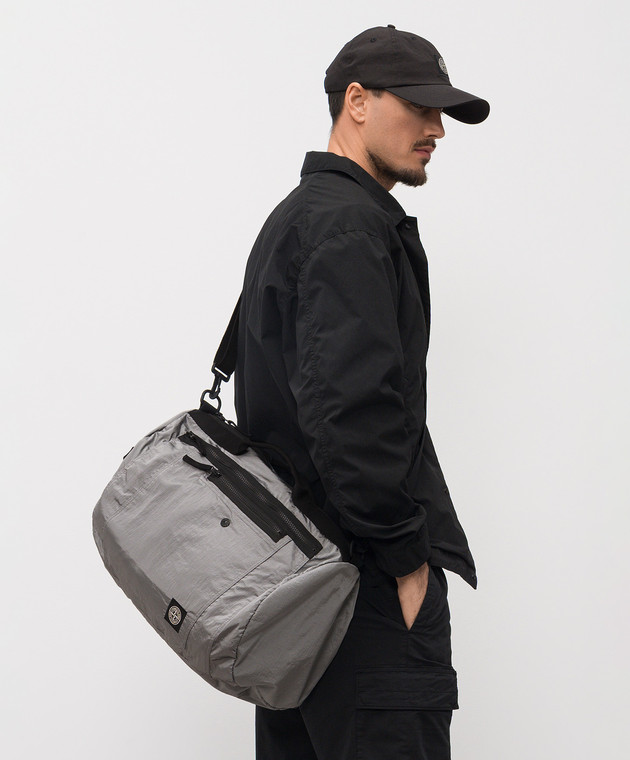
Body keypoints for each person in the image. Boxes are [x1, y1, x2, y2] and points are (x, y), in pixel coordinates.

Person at [234, 24, 489, 760]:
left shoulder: (300, 216)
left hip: (295, 584)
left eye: (442, 113)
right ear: (356, 102)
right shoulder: (347, 226)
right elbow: (352, 414)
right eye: (419, 106)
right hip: (362, 585)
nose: (436, 128)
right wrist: (406, 557)